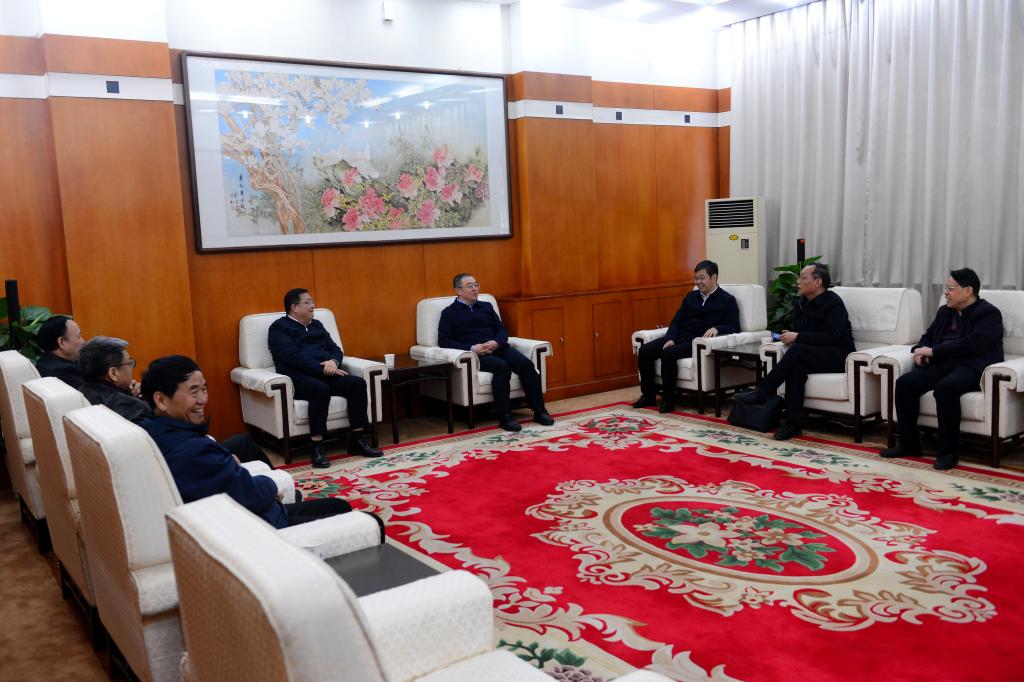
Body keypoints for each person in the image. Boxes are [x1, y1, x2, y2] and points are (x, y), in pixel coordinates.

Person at [141, 355, 354, 527]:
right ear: (161, 399)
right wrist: (270, 487)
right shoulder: (193, 451)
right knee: (358, 518)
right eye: (193, 391)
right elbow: (252, 495)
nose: (203, 400)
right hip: (261, 528)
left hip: (248, 516)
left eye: (204, 389)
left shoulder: (151, 432)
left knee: (338, 506)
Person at [880, 268, 1003, 470]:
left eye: (950, 288)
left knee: (946, 388)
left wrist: (933, 351)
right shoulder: (945, 311)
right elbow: (927, 337)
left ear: (968, 291)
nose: (945, 293)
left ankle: (947, 452)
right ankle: (909, 444)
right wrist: (919, 351)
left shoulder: (988, 314)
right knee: (905, 383)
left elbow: (972, 344)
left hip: (971, 366)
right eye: (946, 288)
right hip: (942, 364)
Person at [736, 263, 855, 440]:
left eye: (803, 278)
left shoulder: (833, 302)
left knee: (797, 350)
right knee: (796, 368)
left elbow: (833, 336)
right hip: (812, 354)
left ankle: (762, 392)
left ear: (818, 281)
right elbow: (805, 334)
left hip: (838, 355)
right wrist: (792, 336)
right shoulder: (801, 303)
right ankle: (793, 424)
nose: (797, 282)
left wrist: (798, 337)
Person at [268, 288, 382, 468]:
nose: (313, 306)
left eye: (312, 302)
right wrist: (323, 369)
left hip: (327, 372)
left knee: (357, 384)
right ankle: (317, 447)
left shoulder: (317, 325)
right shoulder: (279, 328)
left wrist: (334, 362)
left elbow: (335, 349)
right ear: (294, 307)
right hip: (299, 377)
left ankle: (357, 440)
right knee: (320, 389)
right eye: (308, 302)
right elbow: (293, 357)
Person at [438, 273, 554, 432]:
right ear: (458, 290)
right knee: (502, 368)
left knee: (526, 365)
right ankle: (505, 417)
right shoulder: (449, 313)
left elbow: (502, 330)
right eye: (470, 286)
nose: (475, 289)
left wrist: (497, 342)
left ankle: (539, 411)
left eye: (476, 285)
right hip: (477, 355)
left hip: (498, 347)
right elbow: (444, 341)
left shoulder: (486, 306)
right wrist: (471, 348)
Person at [633, 260, 741, 413]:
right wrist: (671, 338)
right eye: (696, 278)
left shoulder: (727, 300)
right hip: (679, 336)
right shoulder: (691, 296)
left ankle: (669, 400)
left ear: (714, 277)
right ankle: (648, 396)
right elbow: (676, 321)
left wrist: (717, 328)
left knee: (668, 354)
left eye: (702, 278)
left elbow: (735, 327)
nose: (698, 282)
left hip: (697, 341)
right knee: (645, 351)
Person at [79, 336, 150, 424]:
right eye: (129, 363)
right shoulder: (133, 407)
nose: (131, 368)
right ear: (113, 373)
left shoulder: (81, 392)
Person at [35, 315, 85, 388]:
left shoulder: (45, 362)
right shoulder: (62, 373)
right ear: (61, 342)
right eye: (78, 336)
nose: (83, 341)